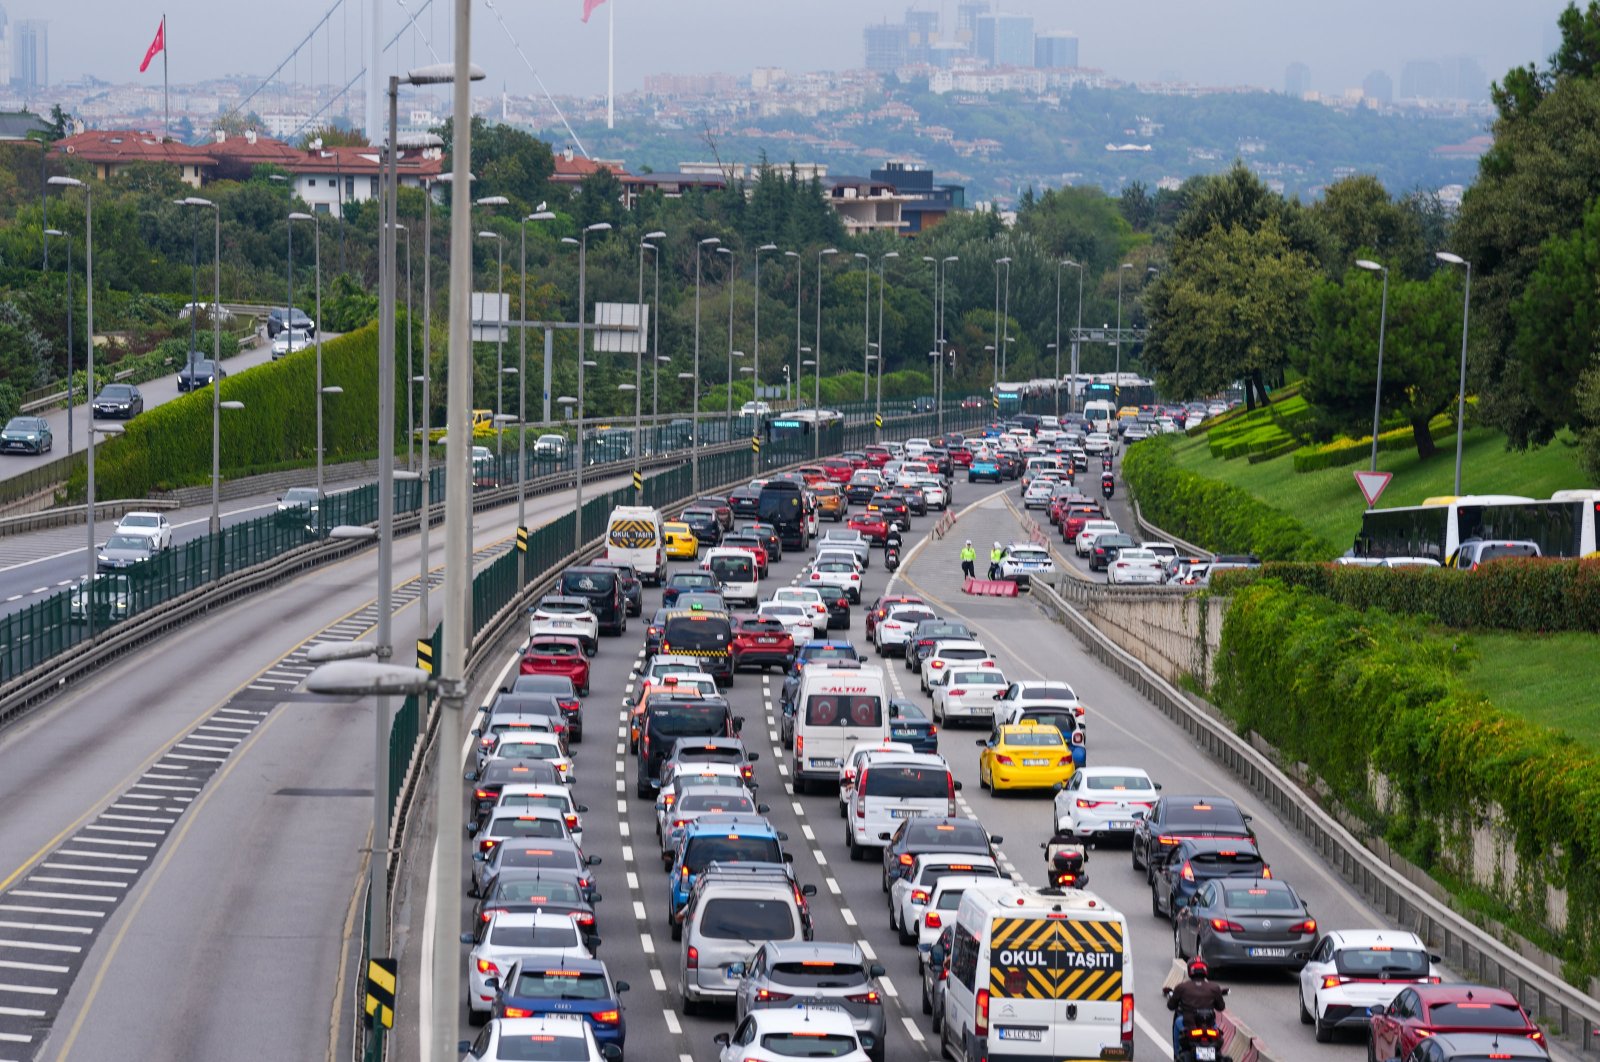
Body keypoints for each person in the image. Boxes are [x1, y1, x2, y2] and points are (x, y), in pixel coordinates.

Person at [1166, 958, 1227, 1057]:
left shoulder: (1182, 987)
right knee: (1218, 1036)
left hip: (1188, 1025)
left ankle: (1177, 1055)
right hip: (1209, 1026)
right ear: (1206, 970)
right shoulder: (1214, 988)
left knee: (1178, 1022)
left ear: (1190, 970)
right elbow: (1221, 1007)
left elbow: (1170, 1006)